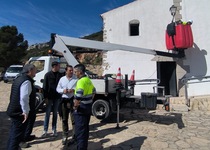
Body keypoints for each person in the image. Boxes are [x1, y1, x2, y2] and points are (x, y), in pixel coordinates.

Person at [7, 64, 37, 150]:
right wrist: (26, 112)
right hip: (19, 113)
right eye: (35, 70)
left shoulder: (19, 78)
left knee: (13, 134)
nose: (36, 72)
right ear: (30, 71)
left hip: (14, 110)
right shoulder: (27, 81)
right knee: (16, 137)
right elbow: (24, 97)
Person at [73, 64, 96, 150]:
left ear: (80, 72)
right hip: (87, 108)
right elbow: (94, 91)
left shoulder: (80, 81)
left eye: (75, 72)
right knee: (85, 130)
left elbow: (78, 96)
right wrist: (89, 100)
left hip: (81, 109)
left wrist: (75, 106)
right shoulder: (88, 80)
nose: (75, 73)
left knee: (80, 132)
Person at [56, 65, 77, 145]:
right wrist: (63, 90)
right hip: (64, 101)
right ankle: (65, 135)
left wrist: (73, 90)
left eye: (72, 70)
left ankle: (74, 136)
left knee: (74, 119)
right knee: (64, 119)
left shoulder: (75, 79)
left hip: (72, 101)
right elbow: (57, 89)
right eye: (70, 70)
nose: (71, 72)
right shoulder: (62, 79)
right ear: (66, 71)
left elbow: (78, 89)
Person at [42, 61, 63, 137]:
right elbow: (45, 87)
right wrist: (45, 97)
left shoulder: (60, 75)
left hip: (57, 97)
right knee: (47, 114)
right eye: (58, 66)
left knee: (55, 114)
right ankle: (45, 130)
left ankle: (54, 129)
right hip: (49, 97)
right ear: (54, 66)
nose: (59, 67)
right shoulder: (47, 75)